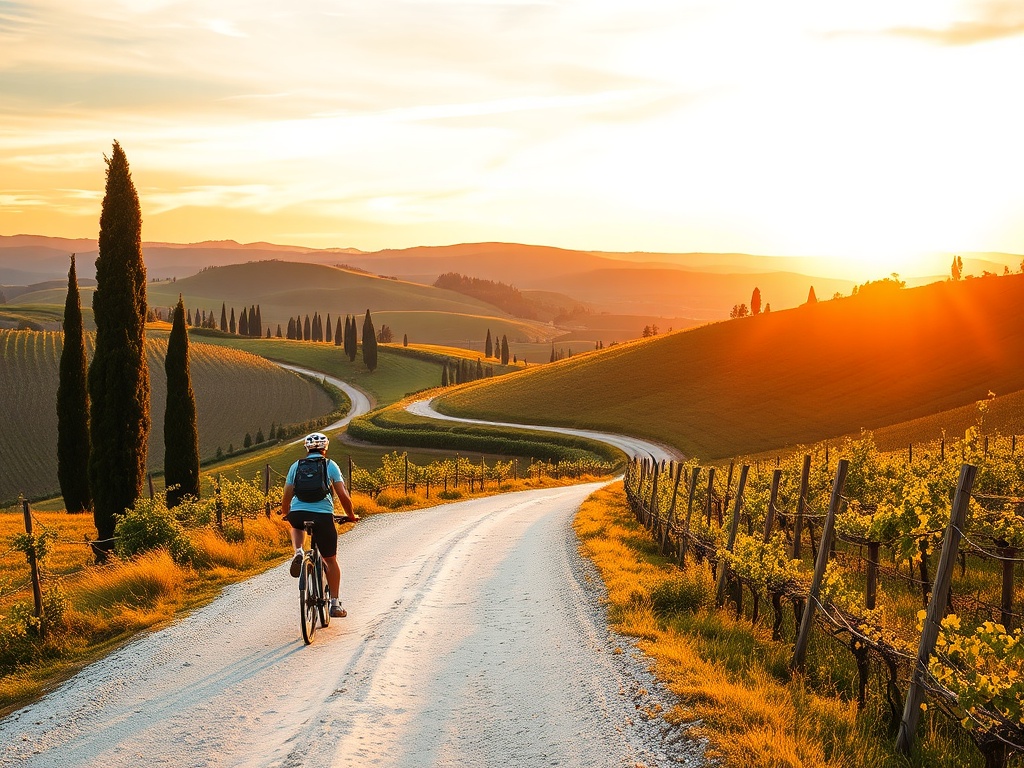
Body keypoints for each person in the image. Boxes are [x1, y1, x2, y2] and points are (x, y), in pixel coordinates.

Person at [281, 432, 357, 618]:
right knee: (330, 560)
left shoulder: (296, 466)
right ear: (326, 447)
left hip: (298, 513)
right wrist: (351, 515)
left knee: (297, 526)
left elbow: (287, 495)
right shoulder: (330, 465)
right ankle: (335, 604)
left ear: (307, 448)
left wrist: (286, 513)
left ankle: (298, 551)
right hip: (323, 516)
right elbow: (342, 495)